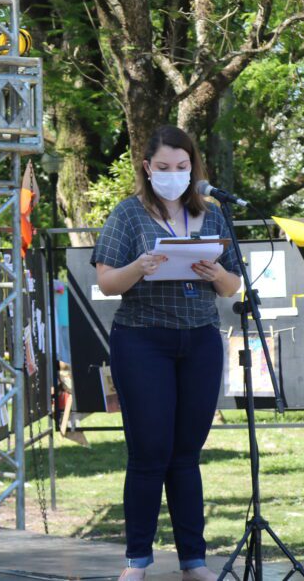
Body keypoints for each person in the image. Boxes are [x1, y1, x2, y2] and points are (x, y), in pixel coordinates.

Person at [91, 126, 241, 581]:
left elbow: (233, 285)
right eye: (163, 168)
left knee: (186, 453)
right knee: (149, 450)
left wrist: (215, 273)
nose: (173, 175)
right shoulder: (128, 214)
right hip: (142, 339)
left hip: (199, 341)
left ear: (193, 167)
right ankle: (137, 560)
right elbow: (106, 281)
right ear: (147, 168)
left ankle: (193, 560)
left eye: (181, 167)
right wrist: (140, 266)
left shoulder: (213, 215)